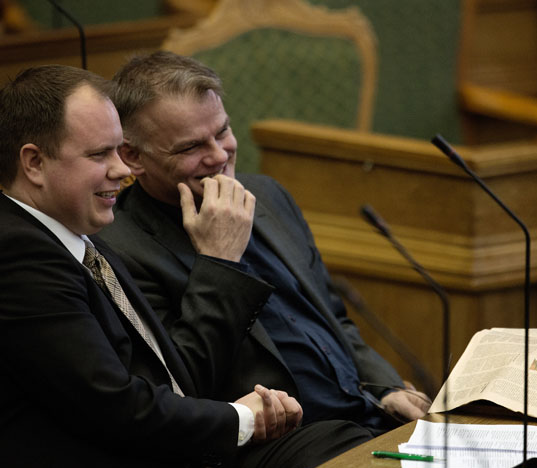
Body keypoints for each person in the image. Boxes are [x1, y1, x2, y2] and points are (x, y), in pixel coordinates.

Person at [0, 65, 332, 468]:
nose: (123, 170)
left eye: (119, 151)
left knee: (338, 449)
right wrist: (244, 419)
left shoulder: (76, 238)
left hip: (153, 464)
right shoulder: (17, 259)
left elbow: (167, 378)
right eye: (100, 155)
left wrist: (245, 413)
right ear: (34, 163)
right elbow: (116, 409)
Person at [98, 51, 431, 436]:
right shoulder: (120, 249)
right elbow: (185, 382)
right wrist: (221, 262)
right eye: (191, 148)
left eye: (222, 131)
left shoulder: (269, 195)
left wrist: (386, 387)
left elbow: (334, 319)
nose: (219, 155)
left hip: (369, 413)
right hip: (289, 440)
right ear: (133, 157)